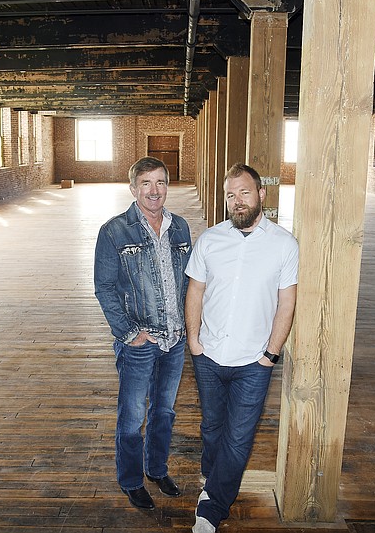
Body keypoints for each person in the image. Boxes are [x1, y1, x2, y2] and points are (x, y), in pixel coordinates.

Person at [184, 163, 299, 532]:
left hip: (254, 362)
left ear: (261, 195)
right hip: (209, 355)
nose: (237, 201)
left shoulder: (284, 244)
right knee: (212, 428)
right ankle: (211, 477)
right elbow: (196, 291)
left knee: (238, 438)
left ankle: (212, 509)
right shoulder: (210, 240)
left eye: (244, 193)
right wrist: (194, 340)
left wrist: (271, 353)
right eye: (230, 195)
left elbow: (287, 301)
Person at [94, 156, 192, 510]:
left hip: (175, 339)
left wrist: (189, 329)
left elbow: (190, 284)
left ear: (168, 186)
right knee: (133, 415)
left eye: (161, 182)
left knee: (165, 410)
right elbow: (103, 287)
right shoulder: (114, 231)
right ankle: (132, 480)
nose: (155, 191)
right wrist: (129, 333)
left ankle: (156, 469)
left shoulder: (180, 227)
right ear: (134, 188)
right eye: (147, 183)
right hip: (139, 341)